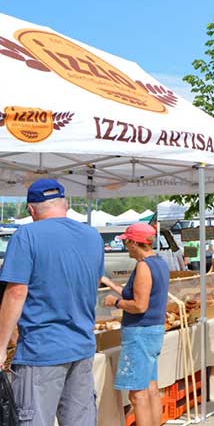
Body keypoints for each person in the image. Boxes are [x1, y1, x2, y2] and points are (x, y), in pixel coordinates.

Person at [0, 179, 103, 426]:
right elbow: (95, 282)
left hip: (41, 349)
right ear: (65, 205)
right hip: (82, 346)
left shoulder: (26, 235)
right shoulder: (92, 235)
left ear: (31, 210)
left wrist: (1, 345)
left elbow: (16, 293)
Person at [101, 223, 169, 426]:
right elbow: (138, 293)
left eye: (126, 242)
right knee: (150, 388)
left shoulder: (143, 266)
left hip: (140, 333)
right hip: (153, 331)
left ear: (134, 242)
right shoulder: (159, 262)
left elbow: (139, 305)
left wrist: (116, 302)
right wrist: (109, 283)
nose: (126, 247)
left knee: (137, 395)